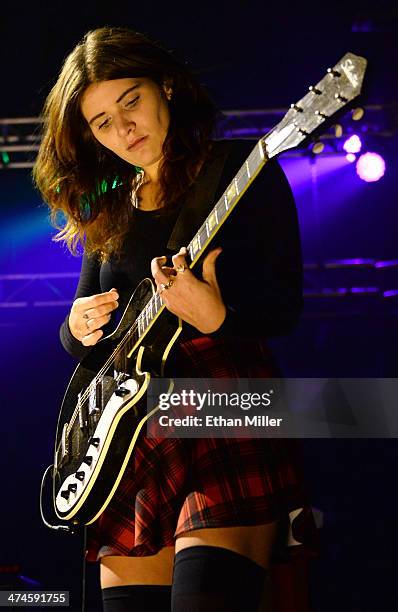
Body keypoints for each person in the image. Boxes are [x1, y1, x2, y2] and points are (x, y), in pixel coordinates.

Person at [34, 26, 318, 612]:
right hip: (131, 434)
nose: (124, 128)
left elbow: (286, 307)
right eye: (103, 122)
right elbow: (87, 343)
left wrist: (217, 315)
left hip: (222, 400)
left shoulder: (239, 168)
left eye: (131, 101)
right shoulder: (111, 205)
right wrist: (75, 327)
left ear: (165, 85)